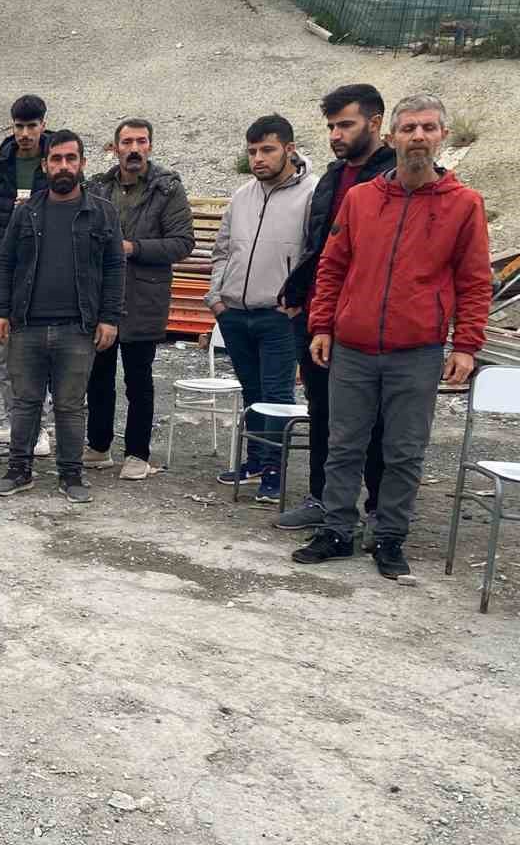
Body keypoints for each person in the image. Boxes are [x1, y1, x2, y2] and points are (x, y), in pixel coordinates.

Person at [295, 93, 491, 578]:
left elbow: (473, 280)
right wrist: (322, 324)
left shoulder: (463, 206)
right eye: (409, 129)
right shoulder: (363, 200)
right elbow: (333, 266)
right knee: (343, 444)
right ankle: (338, 530)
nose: (418, 137)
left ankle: (389, 536)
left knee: (404, 450)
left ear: (443, 135)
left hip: (416, 351)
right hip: (353, 347)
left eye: (428, 128)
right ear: (392, 137)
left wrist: (466, 344)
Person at [274, 84, 396, 534]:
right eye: (330, 126)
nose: (336, 135)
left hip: (371, 315)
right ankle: (323, 500)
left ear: (376, 122)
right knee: (322, 409)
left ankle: (380, 509)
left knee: (377, 419)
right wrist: (298, 294)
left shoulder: (396, 177)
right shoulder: (331, 177)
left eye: (345, 124)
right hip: (321, 314)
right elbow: (319, 246)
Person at [0, 130, 124, 503]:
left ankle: (71, 475)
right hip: (26, 326)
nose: (63, 166)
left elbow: (114, 268)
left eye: (71, 159)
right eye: (56, 159)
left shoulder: (102, 213)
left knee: (69, 405)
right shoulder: (25, 212)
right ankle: (19, 470)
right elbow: (5, 264)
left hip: (77, 328)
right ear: (45, 165)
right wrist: (0, 311)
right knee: (25, 401)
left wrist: (109, 317)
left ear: (81, 163)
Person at [205, 114, 317, 504]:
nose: (258, 158)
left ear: (289, 149)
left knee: (277, 394)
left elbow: (314, 257)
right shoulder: (241, 196)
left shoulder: (312, 195)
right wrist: (217, 300)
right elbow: (221, 251)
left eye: (267, 150)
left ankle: (274, 470)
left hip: (278, 316)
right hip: (235, 312)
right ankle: (255, 462)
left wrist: (296, 305)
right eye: (252, 151)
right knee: (252, 392)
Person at [83, 118, 194, 479]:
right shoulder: (97, 187)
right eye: (127, 141)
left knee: (138, 379)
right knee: (97, 376)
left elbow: (182, 243)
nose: (134, 148)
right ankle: (99, 446)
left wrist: (134, 247)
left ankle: (137, 453)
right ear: (114, 147)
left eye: (141, 141)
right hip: (101, 298)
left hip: (145, 296)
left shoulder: (167, 189)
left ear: (150, 146)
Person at [0, 94, 54, 456]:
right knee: (6, 346)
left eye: (31, 126)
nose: (24, 133)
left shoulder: (58, 162)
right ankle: (19, 423)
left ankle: (45, 425)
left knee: (46, 346)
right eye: (18, 126)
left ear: (43, 124)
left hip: (47, 265)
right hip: (3, 266)